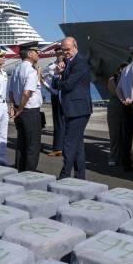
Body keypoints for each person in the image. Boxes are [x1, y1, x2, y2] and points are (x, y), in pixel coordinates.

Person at [54, 36, 92, 179]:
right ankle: (80, 176)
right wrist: (59, 74)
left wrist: (59, 77)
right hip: (73, 108)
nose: (65, 52)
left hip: (78, 109)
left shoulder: (80, 63)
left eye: (67, 49)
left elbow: (68, 85)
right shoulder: (67, 62)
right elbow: (55, 84)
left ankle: (64, 175)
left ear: (75, 47)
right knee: (77, 144)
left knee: (69, 143)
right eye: (63, 50)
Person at [9, 41, 43, 172]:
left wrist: (13, 107)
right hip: (29, 111)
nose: (38, 54)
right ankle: (29, 174)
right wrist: (21, 109)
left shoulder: (16, 69)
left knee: (21, 143)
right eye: (36, 52)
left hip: (19, 110)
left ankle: (20, 169)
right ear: (30, 54)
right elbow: (27, 92)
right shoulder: (31, 71)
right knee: (33, 145)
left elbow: (11, 91)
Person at [43, 51, 65, 156]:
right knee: (57, 121)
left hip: (66, 95)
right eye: (58, 54)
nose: (60, 55)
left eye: (61, 53)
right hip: (56, 95)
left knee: (67, 122)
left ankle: (65, 146)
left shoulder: (68, 65)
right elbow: (43, 78)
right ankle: (58, 147)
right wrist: (50, 90)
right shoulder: (50, 66)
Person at [107, 62, 128, 166]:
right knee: (114, 135)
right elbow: (115, 92)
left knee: (126, 135)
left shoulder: (128, 80)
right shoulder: (113, 80)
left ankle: (124, 157)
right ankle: (113, 156)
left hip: (126, 109)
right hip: (115, 110)